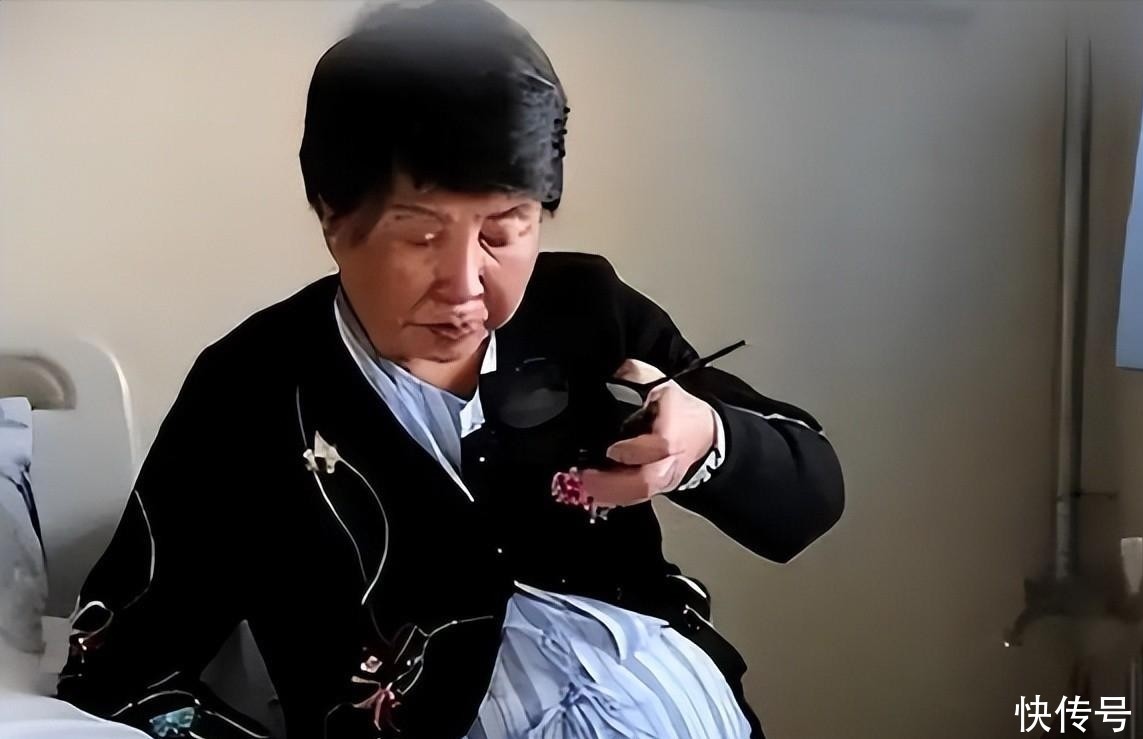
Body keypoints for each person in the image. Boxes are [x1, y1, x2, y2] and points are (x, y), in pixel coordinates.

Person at [57, 2, 844, 737]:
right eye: (421, 236)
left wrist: (702, 442)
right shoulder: (249, 389)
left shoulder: (586, 308)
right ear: (333, 218)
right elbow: (118, 669)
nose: (466, 284)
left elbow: (809, 495)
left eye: (504, 231)